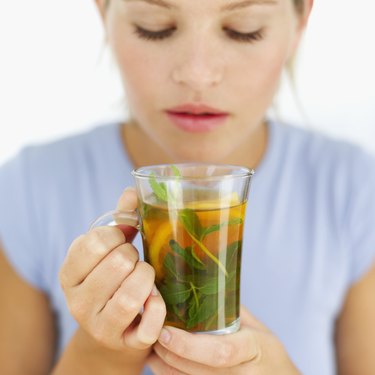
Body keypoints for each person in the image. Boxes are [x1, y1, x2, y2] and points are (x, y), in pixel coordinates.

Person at [1, 0, 375, 374]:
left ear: (300, 20)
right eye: (155, 27)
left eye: (244, 29)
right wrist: (103, 351)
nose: (197, 74)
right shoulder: (27, 191)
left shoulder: (355, 189)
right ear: (103, 12)